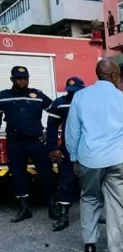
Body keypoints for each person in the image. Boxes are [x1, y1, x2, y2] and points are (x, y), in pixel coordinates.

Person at [65, 59, 123, 252]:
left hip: (89, 159)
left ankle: (89, 247)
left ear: (98, 74)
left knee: (90, 199)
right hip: (119, 159)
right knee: (117, 203)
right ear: (115, 76)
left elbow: (73, 132)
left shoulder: (80, 97)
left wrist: (73, 157)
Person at [0, 65, 56, 223]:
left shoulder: (37, 95)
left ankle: (52, 206)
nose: (22, 81)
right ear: (12, 79)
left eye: (25, 78)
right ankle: (25, 208)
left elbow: (54, 111)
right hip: (15, 143)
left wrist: (50, 132)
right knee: (18, 175)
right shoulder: (3, 96)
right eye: (19, 78)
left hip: (36, 142)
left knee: (47, 173)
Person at [48, 76, 85, 232]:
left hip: (89, 149)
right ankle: (63, 216)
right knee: (66, 182)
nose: (73, 94)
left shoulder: (88, 102)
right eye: (71, 91)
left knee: (91, 182)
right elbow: (51, 127)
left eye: (76, 91)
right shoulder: (60, 103)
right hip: (67, 149)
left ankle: (95, 214)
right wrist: (53, 148)